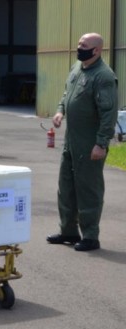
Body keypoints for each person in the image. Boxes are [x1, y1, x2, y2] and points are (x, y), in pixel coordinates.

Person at [47, 32, 118, 252]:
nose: (79, 47)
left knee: (88, 189)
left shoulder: (104, 76)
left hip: (89, 143)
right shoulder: (77, 68)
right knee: (66, 187)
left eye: (84, 45)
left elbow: (109, 113)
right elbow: (67, 93)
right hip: (71, 141)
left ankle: (90, 236)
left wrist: (101, 143)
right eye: (79, 43)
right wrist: (60, 111)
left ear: (96, 50)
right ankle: (68, 231)